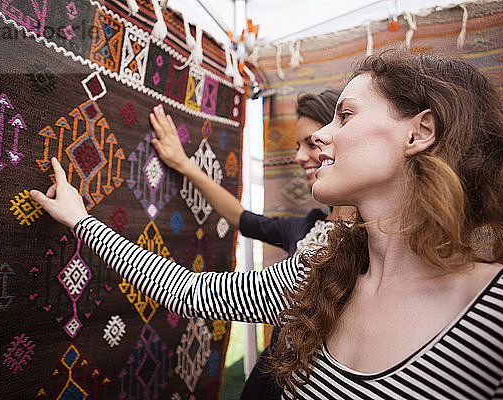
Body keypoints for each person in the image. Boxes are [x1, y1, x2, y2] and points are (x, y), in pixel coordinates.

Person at [31, 51, 503, 399]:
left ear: (420, 133)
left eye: (344, 117)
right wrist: (83, 221)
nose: (320, 139)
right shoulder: (324, 262)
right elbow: (194, 293)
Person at [149, 89, 356, 400]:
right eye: (298, 145)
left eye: (310, 143)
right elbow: (240, 218)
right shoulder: (305, 227)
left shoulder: (378, 245)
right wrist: (184, 164)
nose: (299, 157)